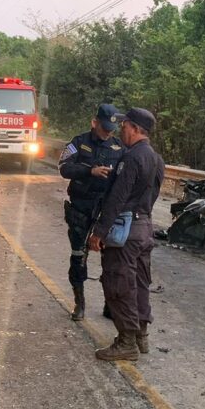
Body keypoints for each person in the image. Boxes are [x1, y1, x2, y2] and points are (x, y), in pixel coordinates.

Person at [88, 108, 164, 361]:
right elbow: (153, 193)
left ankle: (127, 341)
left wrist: (100, 231)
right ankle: (141, 336)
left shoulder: (131, 158)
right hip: (144, 226)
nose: (121, 129)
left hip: (126, 228)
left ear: (133, 128)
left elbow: (118, 197)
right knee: (140, 282)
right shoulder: (155, 157)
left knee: (119, 283)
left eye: (124, 126)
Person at [58, 104, 125, 321]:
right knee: (79, 257)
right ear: (94, 122)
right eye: (105, 127)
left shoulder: (118, 147)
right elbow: (64, 168)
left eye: (111, 129)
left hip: (105, 211)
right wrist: (90, 171)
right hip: (81, 208)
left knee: (111, 260)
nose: (108, 132)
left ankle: (109, 304)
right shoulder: (79, 143)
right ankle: (79, 303)